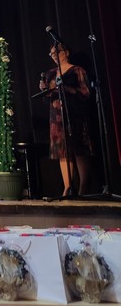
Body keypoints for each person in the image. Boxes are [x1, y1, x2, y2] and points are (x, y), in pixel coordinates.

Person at [39, 43, 93, 196]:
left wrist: (68, 89)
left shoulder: (77, 70)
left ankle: (83, 190)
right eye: (52, 54)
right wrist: (44, 89)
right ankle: (67, 189)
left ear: (67, 52)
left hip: (74, 116)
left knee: (79, 149)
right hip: (57, 118)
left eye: (57, 52)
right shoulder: (50, 73)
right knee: (62, 151)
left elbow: (85, 93)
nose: (54, 56)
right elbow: (47, 98)